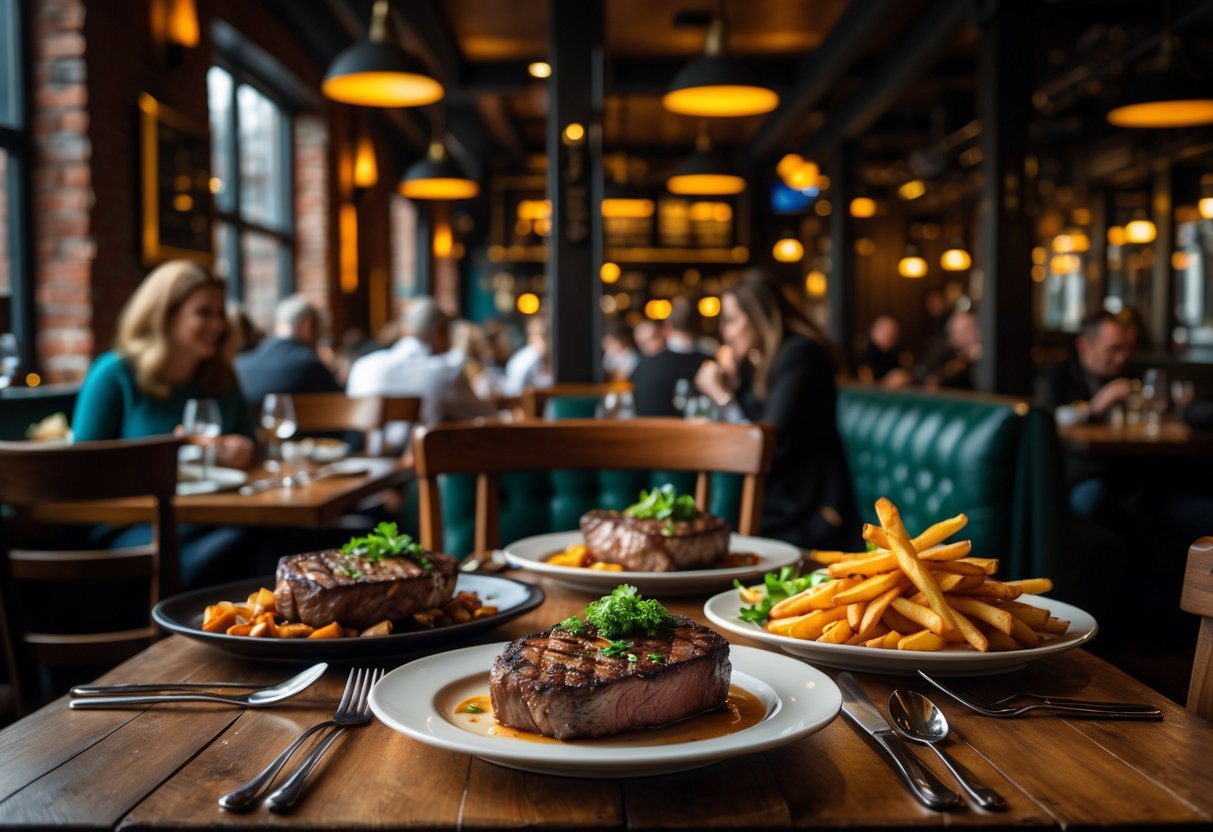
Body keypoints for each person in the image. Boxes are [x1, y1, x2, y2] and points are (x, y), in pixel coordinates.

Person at [71, 260, 258, 588]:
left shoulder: (221, 377)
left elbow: (251, 448)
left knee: (280, 545)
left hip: (219, 518)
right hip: (133, 529)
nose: (218, 324)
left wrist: (240, 452)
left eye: (220, 313)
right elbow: (80, 469)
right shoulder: (114, 374)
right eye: (204, 312)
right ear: (165, 315)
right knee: (252, 554)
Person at [693, 270, 859, 551]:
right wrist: (733, 386)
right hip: (780, 506)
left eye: (731, 320)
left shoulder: (801, 354)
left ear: (759, 316)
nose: (726, 333)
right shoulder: (762, 364)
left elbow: (765, 443)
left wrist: (723, 397)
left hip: (809, 513)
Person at [346, 296, 494, 426]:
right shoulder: (447, 371)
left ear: (405, 328)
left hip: (355, 456)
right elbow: (485, 415)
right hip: (413, 456)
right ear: (441, 331)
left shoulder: (363, 365)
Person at [234, 293, 341, 405]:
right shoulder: (308, 364)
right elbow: (342, 405)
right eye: (318, 328)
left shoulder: (240, 364)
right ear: (307, 326)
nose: (319, 335)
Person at [630, 297, 712, 417]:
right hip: (702, 435)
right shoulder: (710, 364)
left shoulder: (644, 366)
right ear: (699, 327)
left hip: (650, 434)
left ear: (667, 327)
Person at [855, 315, 912, 388]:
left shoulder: (898, 356)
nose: (890, 335)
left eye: (894, 331)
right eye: (886, 330)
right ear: (873, 330)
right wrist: (886, 382)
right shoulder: (862, 355)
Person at [503, 316, 553, 395]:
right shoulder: (521, 362)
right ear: (531, 338)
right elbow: (515, 393)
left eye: (548, 337)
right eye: (542, 337)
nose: (547, 343)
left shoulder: (555, 358)